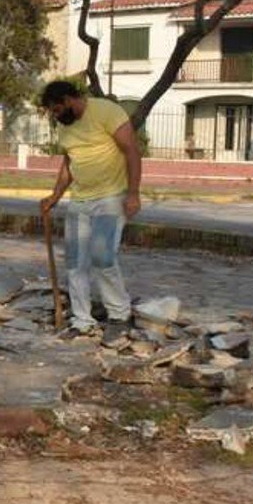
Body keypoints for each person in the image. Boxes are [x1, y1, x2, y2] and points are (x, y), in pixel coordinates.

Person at [37, 81, 143, 334]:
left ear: (68, 100)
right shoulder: (66, 128)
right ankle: (82, 320)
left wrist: (133, 194)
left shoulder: (106, 112)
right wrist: (55, 195)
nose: (55, 115)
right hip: (79, 201)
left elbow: (132, 152)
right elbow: (69, 164)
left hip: (110, 197)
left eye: (56, 109)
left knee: (102, 257)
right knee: (75, 263)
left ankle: (120, 315)